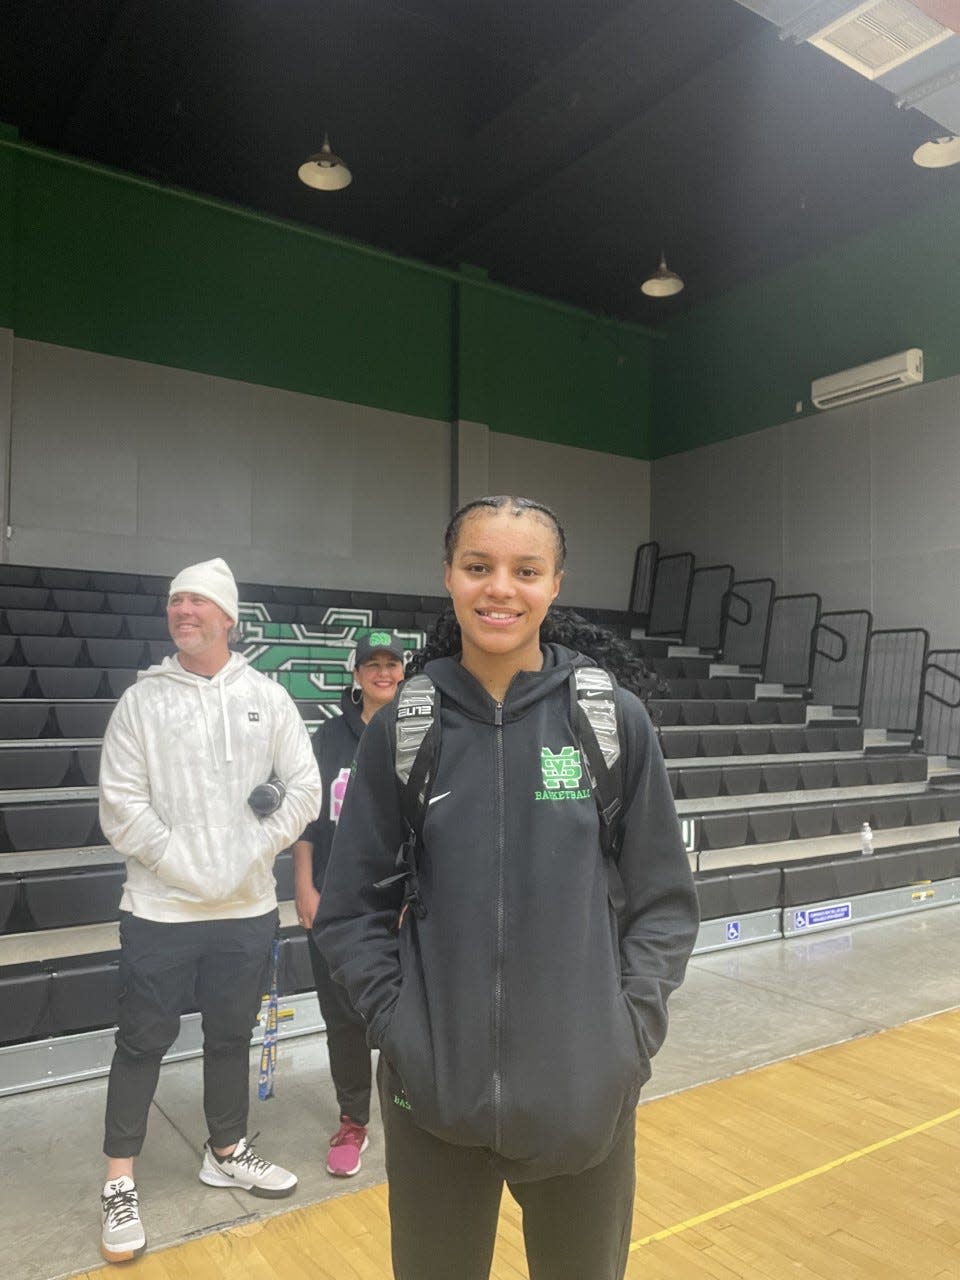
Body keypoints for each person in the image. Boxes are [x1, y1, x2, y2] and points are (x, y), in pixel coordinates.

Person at [316, 496, 700, 1280]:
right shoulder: (405, 727)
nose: (501, 589)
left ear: (555, 583)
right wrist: (403, 1031)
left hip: (585, 1096)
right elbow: (349, 910)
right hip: (434, 1101)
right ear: (448, 577)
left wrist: (625, 1039)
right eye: (479, 566)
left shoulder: (610, 721)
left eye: (525, 571)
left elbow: (663, 901)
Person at [97, 557, 321, 1264]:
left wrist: (252, 849)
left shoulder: (268, 697)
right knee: (142, 1041)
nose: (183, 611)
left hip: (247, 908)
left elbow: (305, 788)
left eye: (197, 602)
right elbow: (119, 806)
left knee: (231, 1035)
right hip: (160, 910)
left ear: (227, 617)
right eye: (175, 602)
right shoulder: (140, 702)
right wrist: (190, 865)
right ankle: (119, 1181)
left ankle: (225, 1149)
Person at [292, 630, 407, 1176]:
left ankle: (412, 1105)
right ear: (356, 674)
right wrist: (304, 885)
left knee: (409, 1007)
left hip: (401, 900)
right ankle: (353, 1119)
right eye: (372, 665)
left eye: (392, 664)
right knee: (343, 1015)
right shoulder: (329, 737)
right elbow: (308, 820)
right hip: (337, 900)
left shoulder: (419, 729)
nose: (383, 672)